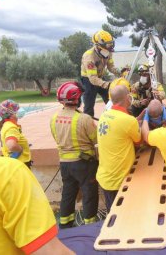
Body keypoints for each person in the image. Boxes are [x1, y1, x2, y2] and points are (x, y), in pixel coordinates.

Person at [0, 96, 73, 254]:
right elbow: (50, 251)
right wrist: (19, 151)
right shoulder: (6, 174)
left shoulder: (6, 127)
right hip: (19, 165)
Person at [50, 82, 99, 229]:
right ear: (77, 99)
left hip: (64, 163)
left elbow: (56, 137)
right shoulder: (84, 119)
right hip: (84, 164)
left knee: (68, 194)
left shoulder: (54, 118)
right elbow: (96, 139)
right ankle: (90, 226)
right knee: (89, 194)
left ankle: (65, 225)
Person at [96, 85, 142, 211]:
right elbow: (139, 142)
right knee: (123, 217)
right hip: (120, 181)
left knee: (112, 215)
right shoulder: (128, 120)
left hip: (105, 178)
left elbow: (120, 131)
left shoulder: (104, 115)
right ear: (127, 97)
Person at [81, 30, 120, 118]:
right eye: (107, 45)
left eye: (110, 44)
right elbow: (93, 78)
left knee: (111, 98)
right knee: (89, 106)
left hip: (100, 77)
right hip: (89, 80)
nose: (109, 47)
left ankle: (113, 118)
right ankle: (88, 124)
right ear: (98, 45)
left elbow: (111, 67)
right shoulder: (89, 57)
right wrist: (107, 84)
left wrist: (120, 72)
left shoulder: (107, 52)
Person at [0, 99, 32, 168]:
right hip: (19, 165)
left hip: (17, 164)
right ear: (11, 114)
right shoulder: (11, 127)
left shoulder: (8, 125)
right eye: (17, 109)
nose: (19, 110)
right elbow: (11, 145)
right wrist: (20, 149)